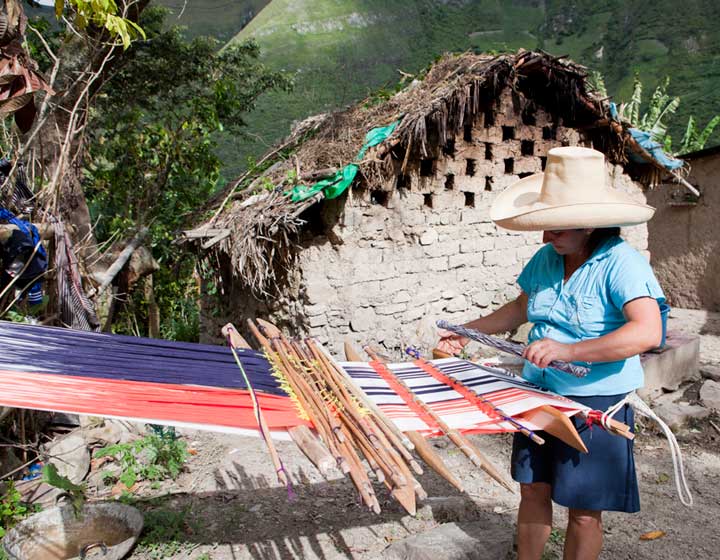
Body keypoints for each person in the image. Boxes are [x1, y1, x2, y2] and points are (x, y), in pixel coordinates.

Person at [437, 146, 664, 560]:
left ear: (588, 225)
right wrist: (468, 331)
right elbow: (523, 307)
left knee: (583, 509)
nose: (545, 237)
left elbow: (647, 332)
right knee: (532, 489)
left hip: (595, 403)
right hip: (536, 393)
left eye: (555, 228)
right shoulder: (546, 259)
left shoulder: (622, 264)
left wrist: (570, 349)